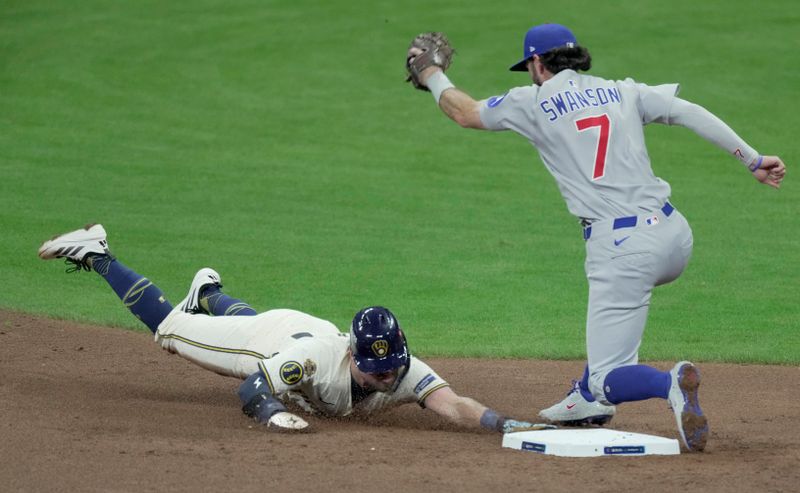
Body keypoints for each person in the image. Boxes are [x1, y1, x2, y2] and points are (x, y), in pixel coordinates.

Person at [406, 23, 786, 451]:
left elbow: (464, 112)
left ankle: (667, 384)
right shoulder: (622, 90)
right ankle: (584, 400)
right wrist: (752, 159)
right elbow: (688, 111)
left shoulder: (531, 101)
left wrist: (431, 75)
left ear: (536, 63)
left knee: (610, 375)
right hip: (675, 236)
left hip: (624, 251)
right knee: (610, 333)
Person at [38, 223, 551, 434]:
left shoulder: (403, 368)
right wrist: (271, 414)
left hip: (299, 325)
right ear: (353, 356)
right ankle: (97, 252)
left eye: (390, 368)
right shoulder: (313, 363)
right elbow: (253, 385)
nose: (385, 379)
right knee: (172, 330)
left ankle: (210, 296)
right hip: (275, 344)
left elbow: (454, 403)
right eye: (376, 372)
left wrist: (500, 423)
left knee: (259, 318)